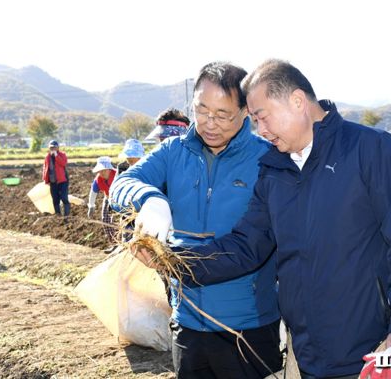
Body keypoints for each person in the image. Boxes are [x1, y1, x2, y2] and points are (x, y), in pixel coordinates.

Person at [132, 59, 391, 378]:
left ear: (297, 101)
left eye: (262, 117)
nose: (260, 130)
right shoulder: (275, 169)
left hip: (368, 352)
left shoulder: (370, 150)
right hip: (306, 352)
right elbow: (246, 247)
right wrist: (173, 262)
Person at [111, 62, 282, 378]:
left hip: (247, 330)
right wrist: (151, 200)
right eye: (201, 110)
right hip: (187, 324)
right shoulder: (174, 152)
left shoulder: (266, 161)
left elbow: (251, 248)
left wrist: (169, 262)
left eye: (222, 114)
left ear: (246, 111)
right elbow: (121, 184)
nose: (209, 123)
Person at [87, 156, 117, 243]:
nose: (102, 173)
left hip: (119, 199)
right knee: (105, 220)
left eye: (104, 170)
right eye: (100, 171)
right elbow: (93, 193)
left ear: (109, 169)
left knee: (115, 221)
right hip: (108, 198)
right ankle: (113, 243)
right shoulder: (98, 180)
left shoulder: (117, 175)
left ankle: (121, 243)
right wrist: (91, 206)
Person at [42, 140, 70, 219]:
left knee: (64, 198)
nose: (53, 149)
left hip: (63, 181)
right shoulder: (47, 157)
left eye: (54, 147)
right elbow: (45, 168)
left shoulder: (62, 155)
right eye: (51, 147)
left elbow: (63, 163)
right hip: (53, 182)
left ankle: (67, 215)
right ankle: (58, 216)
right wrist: (45, 179)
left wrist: (56, 156)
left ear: (58, 148)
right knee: (55, 199)